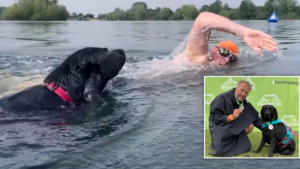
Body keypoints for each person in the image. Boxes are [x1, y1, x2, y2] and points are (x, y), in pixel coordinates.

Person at [173, 12, 278, 66]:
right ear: (214, 50)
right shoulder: (197, 58)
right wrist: (243, 32)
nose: (227, 59)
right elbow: (203, 19)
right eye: (224, 52)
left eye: (232, 59)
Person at [208, 80, 262, 157]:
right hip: (219, 126)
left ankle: (234, 140)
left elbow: (255, 117)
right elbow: (216, 119)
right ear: (236, 88)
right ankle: (220, 143)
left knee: (250, 125)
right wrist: (231, 117)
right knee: (221, 149)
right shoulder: (221, 98)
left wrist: (275, 124)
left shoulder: (243, 101)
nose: (243, 94)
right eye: (241, 90)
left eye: (246, 92)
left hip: (232, 125)